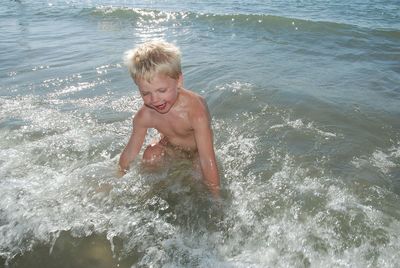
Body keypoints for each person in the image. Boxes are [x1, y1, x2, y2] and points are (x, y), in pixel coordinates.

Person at [118, 40, 220, 198]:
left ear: (178, 81)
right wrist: (120, 176)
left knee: (200, 169)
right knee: (150, 154)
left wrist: (216, 196)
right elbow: (131, 152)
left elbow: (207, 158)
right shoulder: (145, 116)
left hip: (197, 152)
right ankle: (156, 193)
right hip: (171, 149)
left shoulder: (195, 111)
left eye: (161, 90)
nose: (155, 99)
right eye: (146, 93)